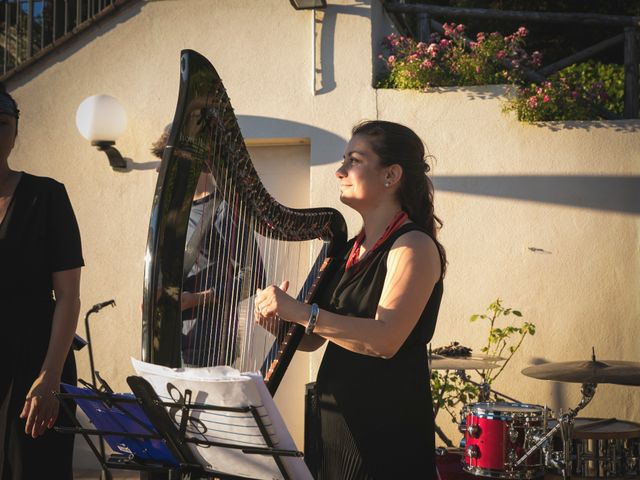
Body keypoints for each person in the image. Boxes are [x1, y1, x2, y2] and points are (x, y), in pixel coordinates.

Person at [254, 120, 446, 479]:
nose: (340, 171)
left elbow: (385, 340)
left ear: (391, 175)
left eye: (354, 160)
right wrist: (283, 324)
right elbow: (314, 340)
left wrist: (300, 310)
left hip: (386, 431)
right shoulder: (345, 251)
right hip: (336, 424)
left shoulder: (413, 246)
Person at [0, 84, 83, 479]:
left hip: (36, 362)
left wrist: (50, 377)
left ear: (16, 132)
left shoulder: (47, 197)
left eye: (3, 124)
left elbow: (68, 296)